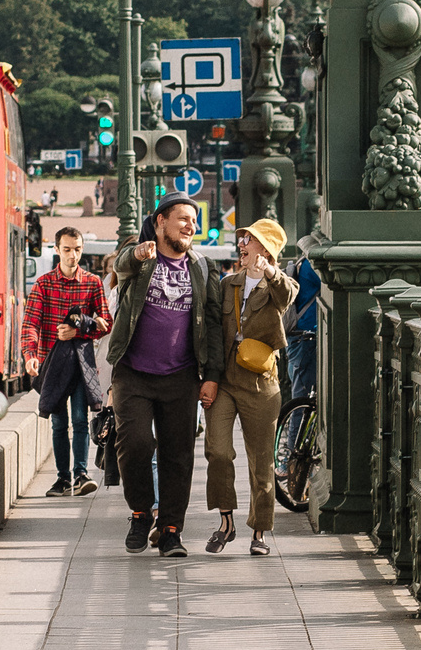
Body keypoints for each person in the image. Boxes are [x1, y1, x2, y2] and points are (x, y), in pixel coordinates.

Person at [108, 196, 225, 557]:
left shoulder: (202, 268)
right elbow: (121, 264)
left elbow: (215, 324)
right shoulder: (141, 260)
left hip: (182, 376)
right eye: (183, 219)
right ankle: (141, 513)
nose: (191, 226)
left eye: (194, 220)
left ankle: (171, 530)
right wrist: (138, 255)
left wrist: (212, 375)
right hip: (133, 372)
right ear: (160, 222)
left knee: (179, 456)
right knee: (136, 445)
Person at [203, 219, 295, 557]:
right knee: (218, 451)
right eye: (241, 238)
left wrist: (270, 273)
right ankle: (226, 521)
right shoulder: (228, 284)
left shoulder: (278, 285)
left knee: (261, 461)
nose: (242, 243)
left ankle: (259, 530)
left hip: (260, 384)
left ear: (265, 249)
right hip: (225, 379)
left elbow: (287, 296)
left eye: (250, 239)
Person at [29, 226, 109, 496]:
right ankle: (62, 479)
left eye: (77, 249)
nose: (72, 255)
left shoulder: (92, 283)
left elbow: (106, 323)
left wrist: (80, 330)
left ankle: (81, 474)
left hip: (81, 363)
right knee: (59, 421)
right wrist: (29, 355)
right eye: (67, 250)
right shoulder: (43, 284)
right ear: (57, 250)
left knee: (80, 418)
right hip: (51, 364)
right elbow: (31, 323)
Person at [286, 251, 321, 400]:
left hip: (297, 336)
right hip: (305, 339)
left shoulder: (304, 262)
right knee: (302, 398)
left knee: (300, 395)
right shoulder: (313, 266)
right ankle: (295, 424)